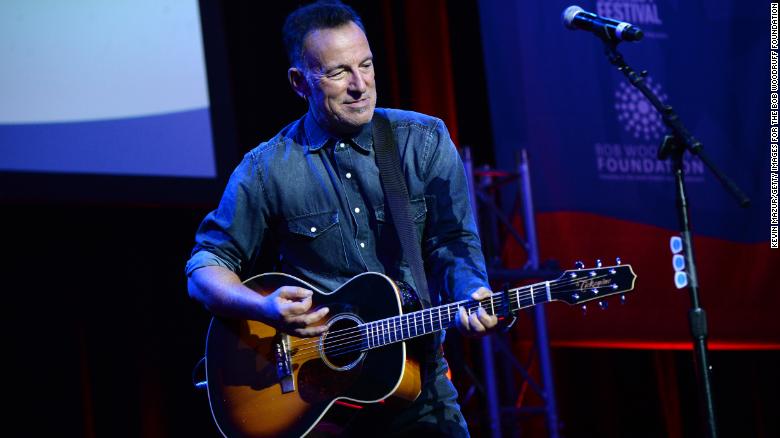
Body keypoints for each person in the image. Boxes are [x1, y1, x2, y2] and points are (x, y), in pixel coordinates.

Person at [186, 1, 497, 435]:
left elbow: (453, 242)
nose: (361, 85)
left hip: (417, 386)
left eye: (366, 65)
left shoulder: (423, 140)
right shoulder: (267, 168)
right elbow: (205, 267)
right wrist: (263, 307)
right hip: (318, 403)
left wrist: (472, 291)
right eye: (338, 73)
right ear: (300, 82)